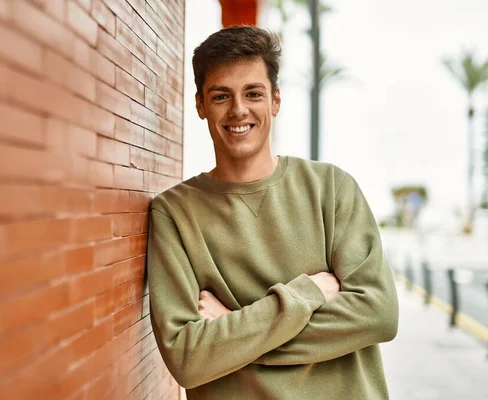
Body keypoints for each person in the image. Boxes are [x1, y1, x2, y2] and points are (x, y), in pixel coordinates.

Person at [147, 25, 398, 399]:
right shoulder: (174, 213)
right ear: (199, 105)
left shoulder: (331, 188)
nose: (238, 110)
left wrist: (233, 334)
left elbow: (378, 315)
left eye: (253, 93)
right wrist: (310, 290)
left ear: (275, 100)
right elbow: (188, 358)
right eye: (220, 96)